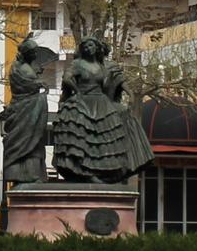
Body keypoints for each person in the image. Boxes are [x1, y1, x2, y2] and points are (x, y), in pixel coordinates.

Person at [49, 36, 154, 186]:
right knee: (80, 130)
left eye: (91, 45)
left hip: (101, 102)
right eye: (85, 46)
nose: (88, 48)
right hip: (83, 100)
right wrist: (76, 91)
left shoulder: (102, 66)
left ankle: (111, 170)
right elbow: (67, 78)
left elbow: (116, 81)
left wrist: (129, 94)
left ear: (96, 48)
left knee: (109, 132)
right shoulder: (77, 64)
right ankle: (84, 172)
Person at [0, 38, 49, 187]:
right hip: (22, 108)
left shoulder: (29, 66)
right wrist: (38, 83)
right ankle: (20, 173)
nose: (35, 54)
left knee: (35, 141)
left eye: (35, 52)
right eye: (33, 52)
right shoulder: (17, 67)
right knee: (23, 140)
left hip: (31, 107)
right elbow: (21, 84)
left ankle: (34, 173)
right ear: (26, 53)